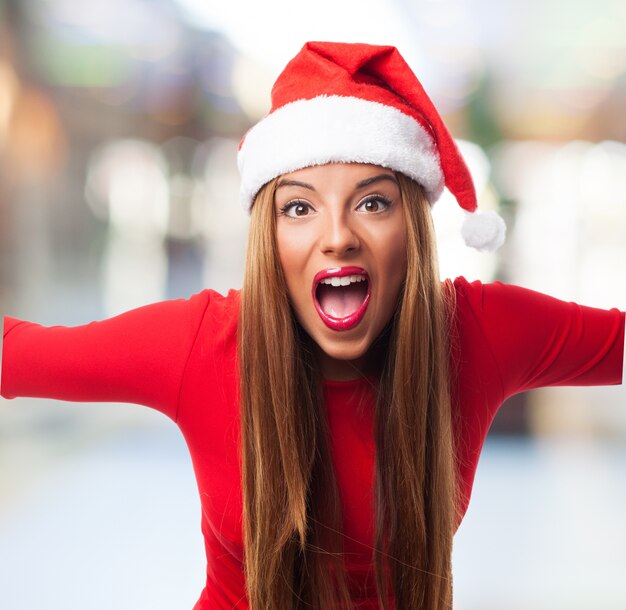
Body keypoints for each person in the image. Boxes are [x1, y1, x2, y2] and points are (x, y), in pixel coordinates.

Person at [1, 41, 624, 610]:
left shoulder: (476, 333)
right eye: (299, 207)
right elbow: (16, 355)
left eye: (373, 202)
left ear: (412, 228)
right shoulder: (207, 342)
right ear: (269, 237)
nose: (337, 238)